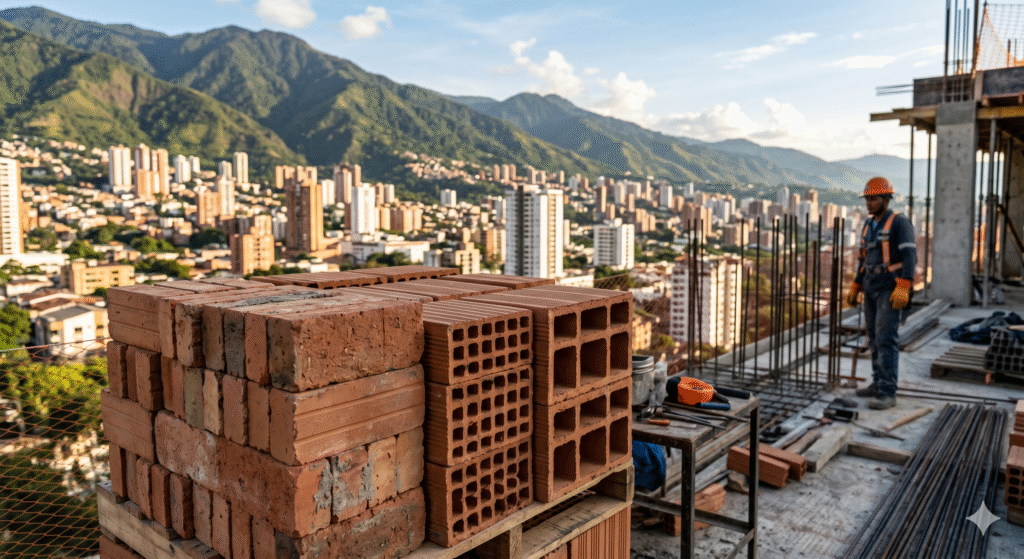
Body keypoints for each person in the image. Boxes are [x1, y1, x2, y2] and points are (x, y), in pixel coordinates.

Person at [846, 177, 917, 410]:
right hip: (871, 285)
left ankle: (888, 391)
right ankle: (877, 383)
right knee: (873, 338)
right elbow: (863, 259)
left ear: (886, 199)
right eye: (867, 199)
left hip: (890, 286)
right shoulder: (868, 225)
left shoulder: (899, 223)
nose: (869, 203)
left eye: (874, 199)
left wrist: (904, 284)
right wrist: (857, 284)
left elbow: (910, 256)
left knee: (886, 339)